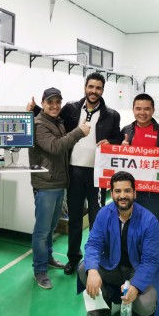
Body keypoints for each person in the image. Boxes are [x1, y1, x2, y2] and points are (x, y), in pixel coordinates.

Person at [27, 72, 121, 275]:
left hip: (97, 174)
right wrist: (35, 110)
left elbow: (118, 138)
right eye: (91, 87)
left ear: (102, 90)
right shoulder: (71, 109)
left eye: (98, 88)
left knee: (97, 220)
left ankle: (94, 261)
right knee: (75, 218)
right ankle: (73, 258)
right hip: (73, 173)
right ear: (85, 88)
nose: (94, 91)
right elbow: (51, 117)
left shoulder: (112, 115)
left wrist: (112, 142)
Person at [78, 171, 159, 316]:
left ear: (134, 193)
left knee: (146, 304)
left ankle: (136, 307)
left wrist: (136, 286)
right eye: (118, 191)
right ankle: (103, 303)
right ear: (112, 194)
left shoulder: (149, 220)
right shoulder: (103, 214)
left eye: (127, 190)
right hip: (112, 267)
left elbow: (151, 260)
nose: (122, 196)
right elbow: (93, 245)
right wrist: (92, 271)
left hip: (137, 270)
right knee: (84, 268)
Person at [28, 87, 91, 289]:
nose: (55, 106)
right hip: (45, 184)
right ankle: (39, 270)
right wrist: (79, 132)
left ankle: (47, 258)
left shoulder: (57, 121)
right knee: (42, 230)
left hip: (58, 183)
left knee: (51, 227)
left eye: (58, 102)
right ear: (43, 103)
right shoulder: (38, 124)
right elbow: (55, 147)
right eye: (50, 102)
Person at [120, 93, 159, 222]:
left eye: (147, 109)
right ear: (133, 110)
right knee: (127, 223)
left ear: (153, 110)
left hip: (152, 191)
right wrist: (121, 149)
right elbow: (117, 159)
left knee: (150, 223)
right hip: (129, 188)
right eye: (138, 109)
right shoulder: (125, 131)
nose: (142, 113)